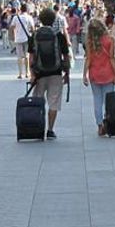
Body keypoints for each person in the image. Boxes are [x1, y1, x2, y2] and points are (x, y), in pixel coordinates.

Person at [29, 7, 71, 139]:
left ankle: (38, 128)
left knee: (39, 100)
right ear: (54, 20)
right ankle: (50, 130)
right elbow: (66, 56)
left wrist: (32, 74)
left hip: (39, 74)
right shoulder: (59, 36)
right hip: (56, 73)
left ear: (40, 20)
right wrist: (67, 73)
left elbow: (31, 57)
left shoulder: (35, 36)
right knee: (54, 102)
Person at [83, 16, 115, 136]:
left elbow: (88, 58)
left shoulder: (90, 42)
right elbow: (112, 58)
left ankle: (99, 125)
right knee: (108, 101)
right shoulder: (110, 40)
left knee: (97, 100)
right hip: (108, 74)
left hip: (95, 74)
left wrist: (84, 75)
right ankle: (107, 122)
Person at [12, 3, 34, 79]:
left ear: (20, 9)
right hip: (27, 38)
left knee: (19, 57)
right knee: (27, 56)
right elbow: (32, 28)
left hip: (18, 39)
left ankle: (20, 73)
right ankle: (27, 73)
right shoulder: (29, 17)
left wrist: (14, 34)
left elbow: (12, 27)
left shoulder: (16, 18)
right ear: (27, 10)